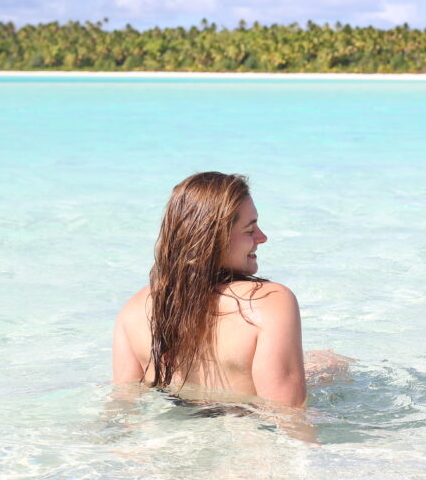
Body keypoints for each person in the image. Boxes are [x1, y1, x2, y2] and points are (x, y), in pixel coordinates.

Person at [112, 172, 308, 408]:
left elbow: (122, 403)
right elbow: (288, 414)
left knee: (326, 363)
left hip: (173, 436)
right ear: (214, 239)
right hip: (244, 435)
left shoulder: (135, 308)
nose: (262, 237)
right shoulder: (270, 302)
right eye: (249, 229)